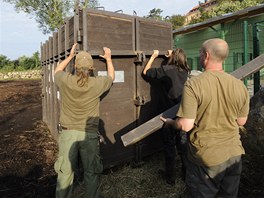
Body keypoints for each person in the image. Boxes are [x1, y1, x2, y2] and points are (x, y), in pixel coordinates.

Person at [160, 38, 250, 197]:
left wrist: (170, 123)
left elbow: (186, 125)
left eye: (201, 53)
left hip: (206, 158)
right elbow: (241, 121)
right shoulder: (240, 85)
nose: (200, 57)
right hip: (234, 155)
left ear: (206, 56)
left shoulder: (194, 84)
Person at [54, 43, 115, 198]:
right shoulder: (96, 83)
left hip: (68, 135)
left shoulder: (65, 80)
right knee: (92, 173)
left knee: (65, 175)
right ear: (91, 68)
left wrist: (69, 56)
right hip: (89, 135)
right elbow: (111, 77)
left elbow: (57, 71)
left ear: (75, 66)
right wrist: (108, 58)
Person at [142, 49, 191, 185]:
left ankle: (170, 178)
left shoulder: (165, 70)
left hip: (168, 115)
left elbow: (145, 72)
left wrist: (153, 56)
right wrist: (173, 55)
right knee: (183, 147)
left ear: (173, 58)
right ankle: (185, 174)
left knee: (169, 146)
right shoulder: (186, 71)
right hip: (182, 114)